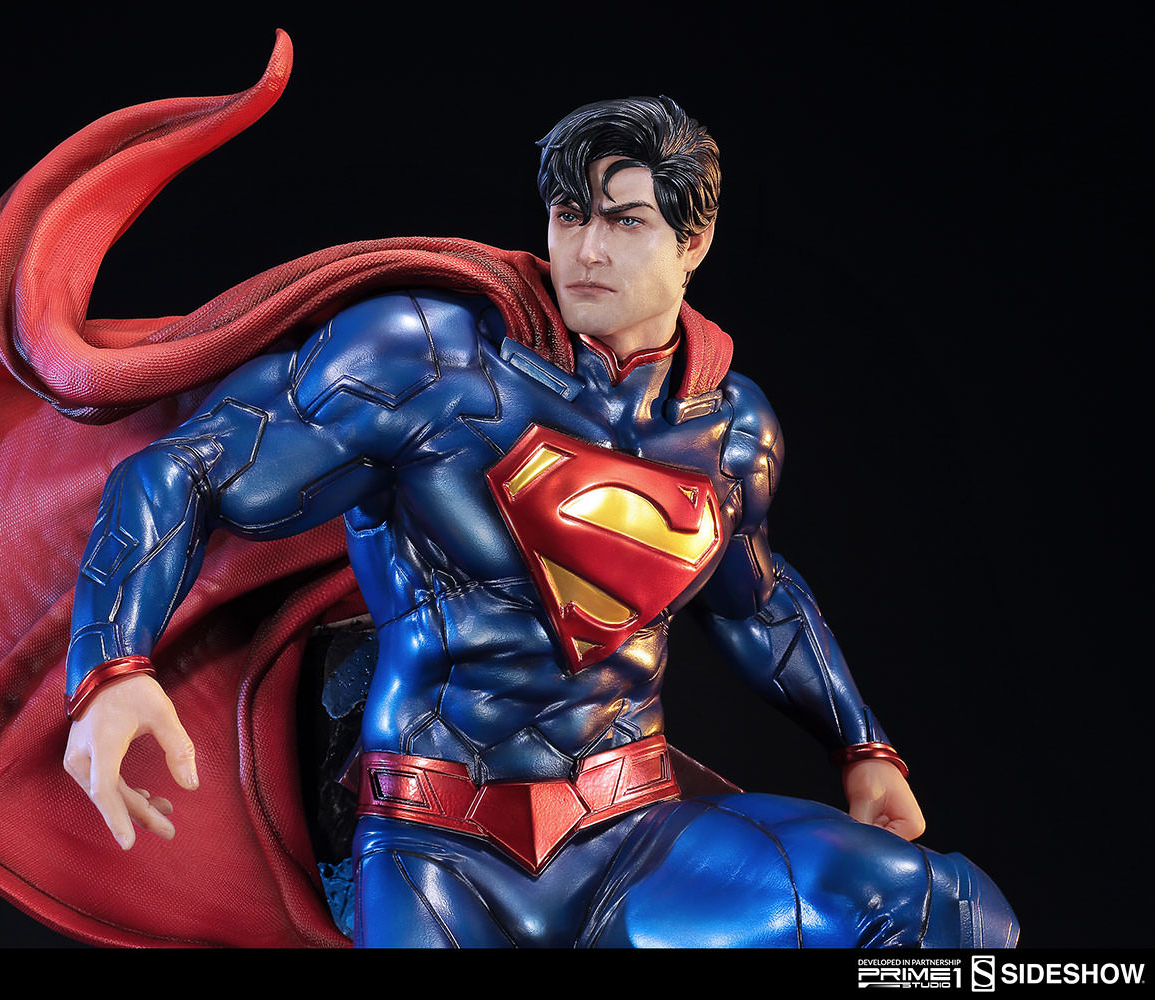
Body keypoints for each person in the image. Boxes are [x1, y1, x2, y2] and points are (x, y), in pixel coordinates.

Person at [60, 92, 1018, 948]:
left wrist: (863, 747)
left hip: (633, 839)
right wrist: (112, 667)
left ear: (694, 242)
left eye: (626, 221)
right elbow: (182, 470)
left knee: (950, 915)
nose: (587, 250)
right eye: (570, 215)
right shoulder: (429, 363)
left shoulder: (727, 428)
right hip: (438, 849)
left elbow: (754, 603)